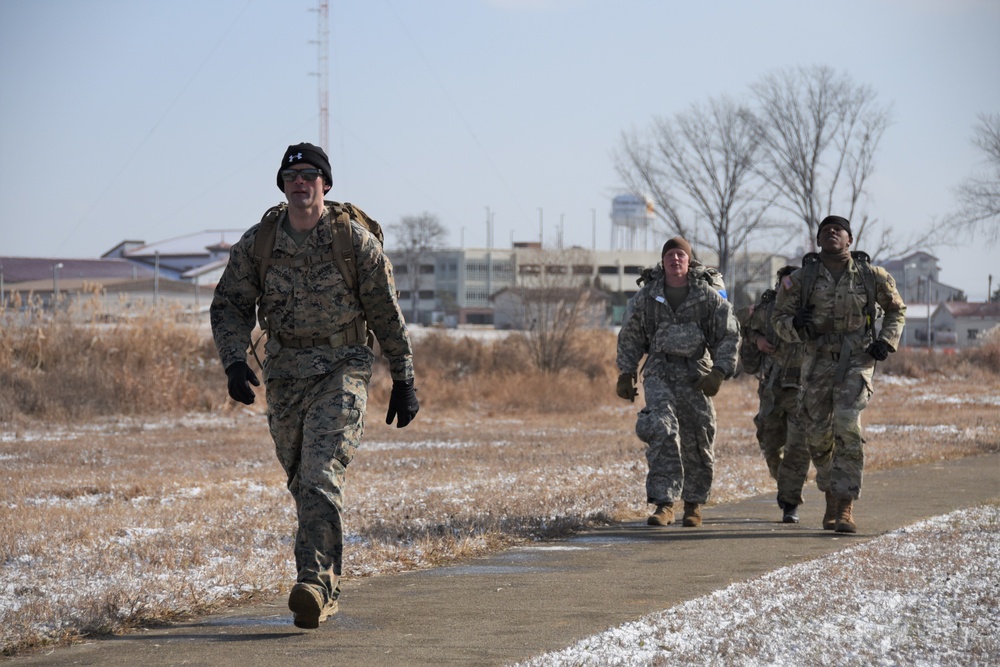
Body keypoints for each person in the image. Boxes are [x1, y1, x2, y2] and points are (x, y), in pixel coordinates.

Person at [210, 142, 419, 629]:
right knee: (301, 479)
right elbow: (229, 305)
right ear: (283, 186)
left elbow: (386, 313)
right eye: (292, 177)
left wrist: (404, 377)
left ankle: (316, 584)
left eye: (310, 175)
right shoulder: (260, 243)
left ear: (325, 183)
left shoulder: (352, 242)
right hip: (284, 372)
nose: (300, 182)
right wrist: (233, 363)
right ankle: (319, 574)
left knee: (322, 475)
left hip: (342, 368)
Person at [772, 215, 905, 533]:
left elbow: (896, 309)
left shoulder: (871, 276)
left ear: (850, 240)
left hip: (857, 361)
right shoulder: (801, 279)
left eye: (838, 230)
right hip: (816, 363)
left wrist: (886, 341)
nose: (831, 232)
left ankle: (845, 505)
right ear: (818, 241)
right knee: (817, 435)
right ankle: (831, 492)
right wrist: (795, 324)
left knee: (846, 424)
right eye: (825, 230)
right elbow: (778, 317)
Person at [615, 237, 740, 528]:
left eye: (680, 255)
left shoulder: (706, 295)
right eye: (670, 255)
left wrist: (720, 372)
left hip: (697, 374)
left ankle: (693, 505)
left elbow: (728, 334)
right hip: (660, 372)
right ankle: (664, 503)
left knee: (698, 436)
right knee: (661, 428)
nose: (675, 260)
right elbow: (631, 334)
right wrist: (626, 371)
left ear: (689, 260)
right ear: (663, 261)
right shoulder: (648, 296)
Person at [742, 265, 817, 524]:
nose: (790, 287)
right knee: (770, 444)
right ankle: (785, 481)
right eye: (786, 283)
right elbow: (746, 329)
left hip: (803, 389)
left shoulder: (814, 310)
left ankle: (790, 503)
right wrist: (757, 340)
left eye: (796, 283)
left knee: (798, 447)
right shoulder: (766, 311)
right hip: (772, 391)